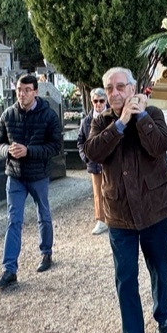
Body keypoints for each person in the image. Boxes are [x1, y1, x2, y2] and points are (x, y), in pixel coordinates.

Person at [83, 67, 167, 333]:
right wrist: (121, 124)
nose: (114, 93)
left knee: (158, 267)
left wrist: (139, 118)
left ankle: (162, 316)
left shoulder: (154, 115)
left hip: (154, 208)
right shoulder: (101, 122)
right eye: (109, 88)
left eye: (120, 87)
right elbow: (92, 153)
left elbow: (159, 146)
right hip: (119, 213)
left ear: (133, 88)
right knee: (125, 276)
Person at [0, 74, 62, 288]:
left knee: (44, 214)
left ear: (36, 92)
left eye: (27, 90)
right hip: (15, 176)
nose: (22, 94)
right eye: (19, 90)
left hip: (38, 174)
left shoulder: (48, 116)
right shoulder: (8, 114)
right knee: (14, 220)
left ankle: (46, 253)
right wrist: (8, 151)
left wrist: (28, 151)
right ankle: (9, 269)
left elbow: (54, 146)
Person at [77, 87, 109, 235]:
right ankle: (101, 220)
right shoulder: (86, 121)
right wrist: (86, 158)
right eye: (95, 101)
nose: (98, 104)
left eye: (101, 101)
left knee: (112, 189)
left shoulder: (112, 116)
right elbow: (80, 141)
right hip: (94, 163)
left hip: (110, 161)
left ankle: (113, 218)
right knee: (97, 192)